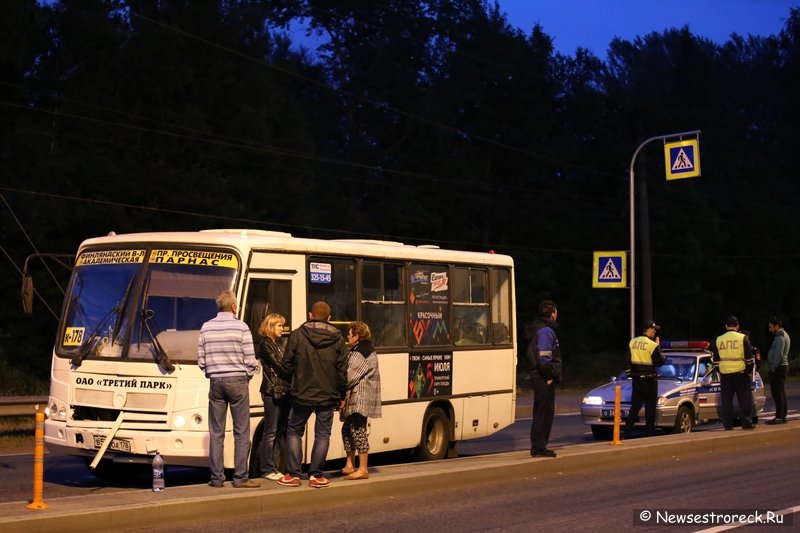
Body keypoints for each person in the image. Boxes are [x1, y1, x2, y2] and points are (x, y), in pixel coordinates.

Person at [276, 301, 347, 488]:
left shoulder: (298, 335)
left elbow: (286, 365)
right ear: (329, 318)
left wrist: (294, 381)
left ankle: (293, 474)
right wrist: (342, 395)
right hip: (328, 394)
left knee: (294, 430)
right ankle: (316, 476)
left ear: (310, 315)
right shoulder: (338, 338)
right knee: (322, 434)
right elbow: (342, 370)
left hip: (302, 393)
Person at [197, 290, 261, 488]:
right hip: (237, 381)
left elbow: (201, 360)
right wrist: (247, 376)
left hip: (216, 382)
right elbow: (250, 359)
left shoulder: (206, 327)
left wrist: (213, 373)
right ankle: (240, 477)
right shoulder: (241, 327)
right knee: (241, 432)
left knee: (216, 433)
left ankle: (216, 478)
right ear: (234, 307)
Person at [339, 321, 382, 480]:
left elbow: (350, 376)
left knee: (358, 430)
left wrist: (339, 390)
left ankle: (362, 468)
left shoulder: (361, 352)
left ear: (357, 336)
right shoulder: (360, 349)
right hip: (355, 398)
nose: (347, 337)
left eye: (350, 334)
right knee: (347, 429)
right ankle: (350, 464)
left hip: (360, 398)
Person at [255, 313, 291, 480]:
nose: (282, 329)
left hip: (283, 390)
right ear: (270, 326)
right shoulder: (265, 344)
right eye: (279, 326)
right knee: (271, 431)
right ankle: (267, 468)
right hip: (271, 391)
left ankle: (275, 466)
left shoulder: (278, 343)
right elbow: (281, 365)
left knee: (279, 431)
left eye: (282, 326)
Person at [525, 300, 562, 458]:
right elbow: (544, 357)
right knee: (544, 413)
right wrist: (548, 375)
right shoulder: (546, 331)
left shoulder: (539, 329)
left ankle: (539, 446)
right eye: (556, 311)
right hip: (543, 376)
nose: (557, 314)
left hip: (539, 374)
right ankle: (539, 448)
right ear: (552, 313)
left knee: (541, 411)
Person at [623, 320, 666, 438]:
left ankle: (626, 434)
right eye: (653, 329)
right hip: (649, 380)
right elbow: (660, 362)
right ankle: (649, 434)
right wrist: (658, 346)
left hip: (637, 380)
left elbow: (627, 362)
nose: (655, 331)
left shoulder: (633, 342)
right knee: (650, 408)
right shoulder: (652, 345)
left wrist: (630, 374)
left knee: (635, 407)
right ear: (649, 329)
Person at [713, 316, 755, 430]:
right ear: (737, 326)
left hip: (725, 374)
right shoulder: (743, 338)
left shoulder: (719, 339)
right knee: (744, 399)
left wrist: (721, 370)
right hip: (741, 373)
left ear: (726, 326)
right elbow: (750, 360)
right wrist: (747, 371)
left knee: (726, 400)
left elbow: (715, 361)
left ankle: (727, 424)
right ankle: (746, 422)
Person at [766, 317, 790, 424]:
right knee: (780, 392)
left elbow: (779, 355)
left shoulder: (780, 337)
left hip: (778, 368)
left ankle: (779, 417)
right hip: (781, 367)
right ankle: (782, 416)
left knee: (777, 393)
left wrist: (773, 367)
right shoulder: (783, 335)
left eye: (771, 327)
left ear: (777, 326)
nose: (770, 330)